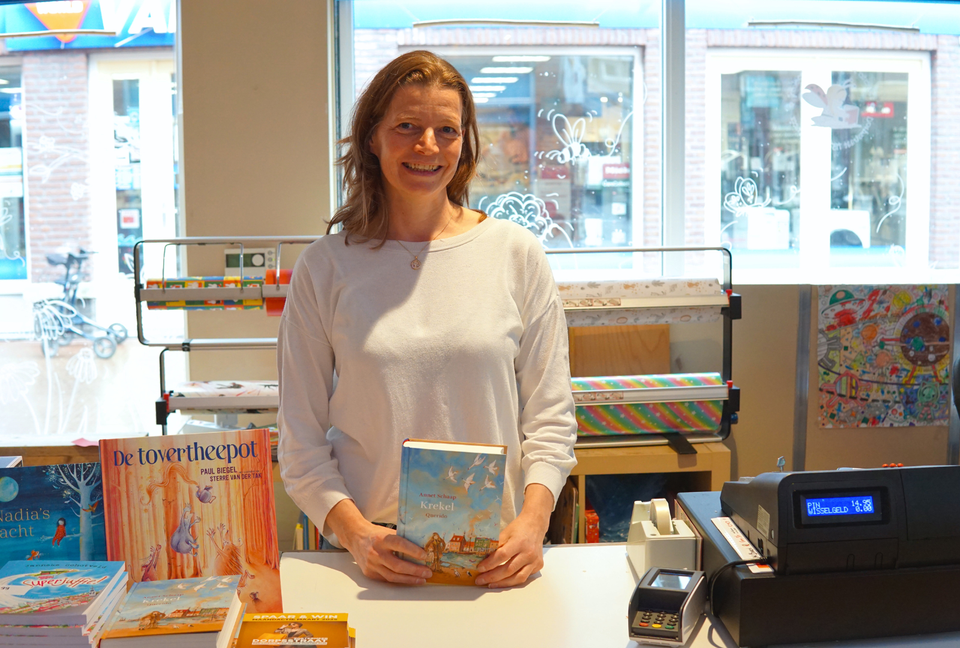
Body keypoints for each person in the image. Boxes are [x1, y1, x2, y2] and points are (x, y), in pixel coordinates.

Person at [277, 50, 577, 589]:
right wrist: (357, 535)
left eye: (446, 129)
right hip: (369, 560)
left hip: (495, 558)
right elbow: (299, 446)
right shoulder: (325, 268)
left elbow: (551, 421)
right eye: (407, 127)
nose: (428, 146)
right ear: (372, 137)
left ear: (465, 143)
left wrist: (534, 523)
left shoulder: (515, 254)